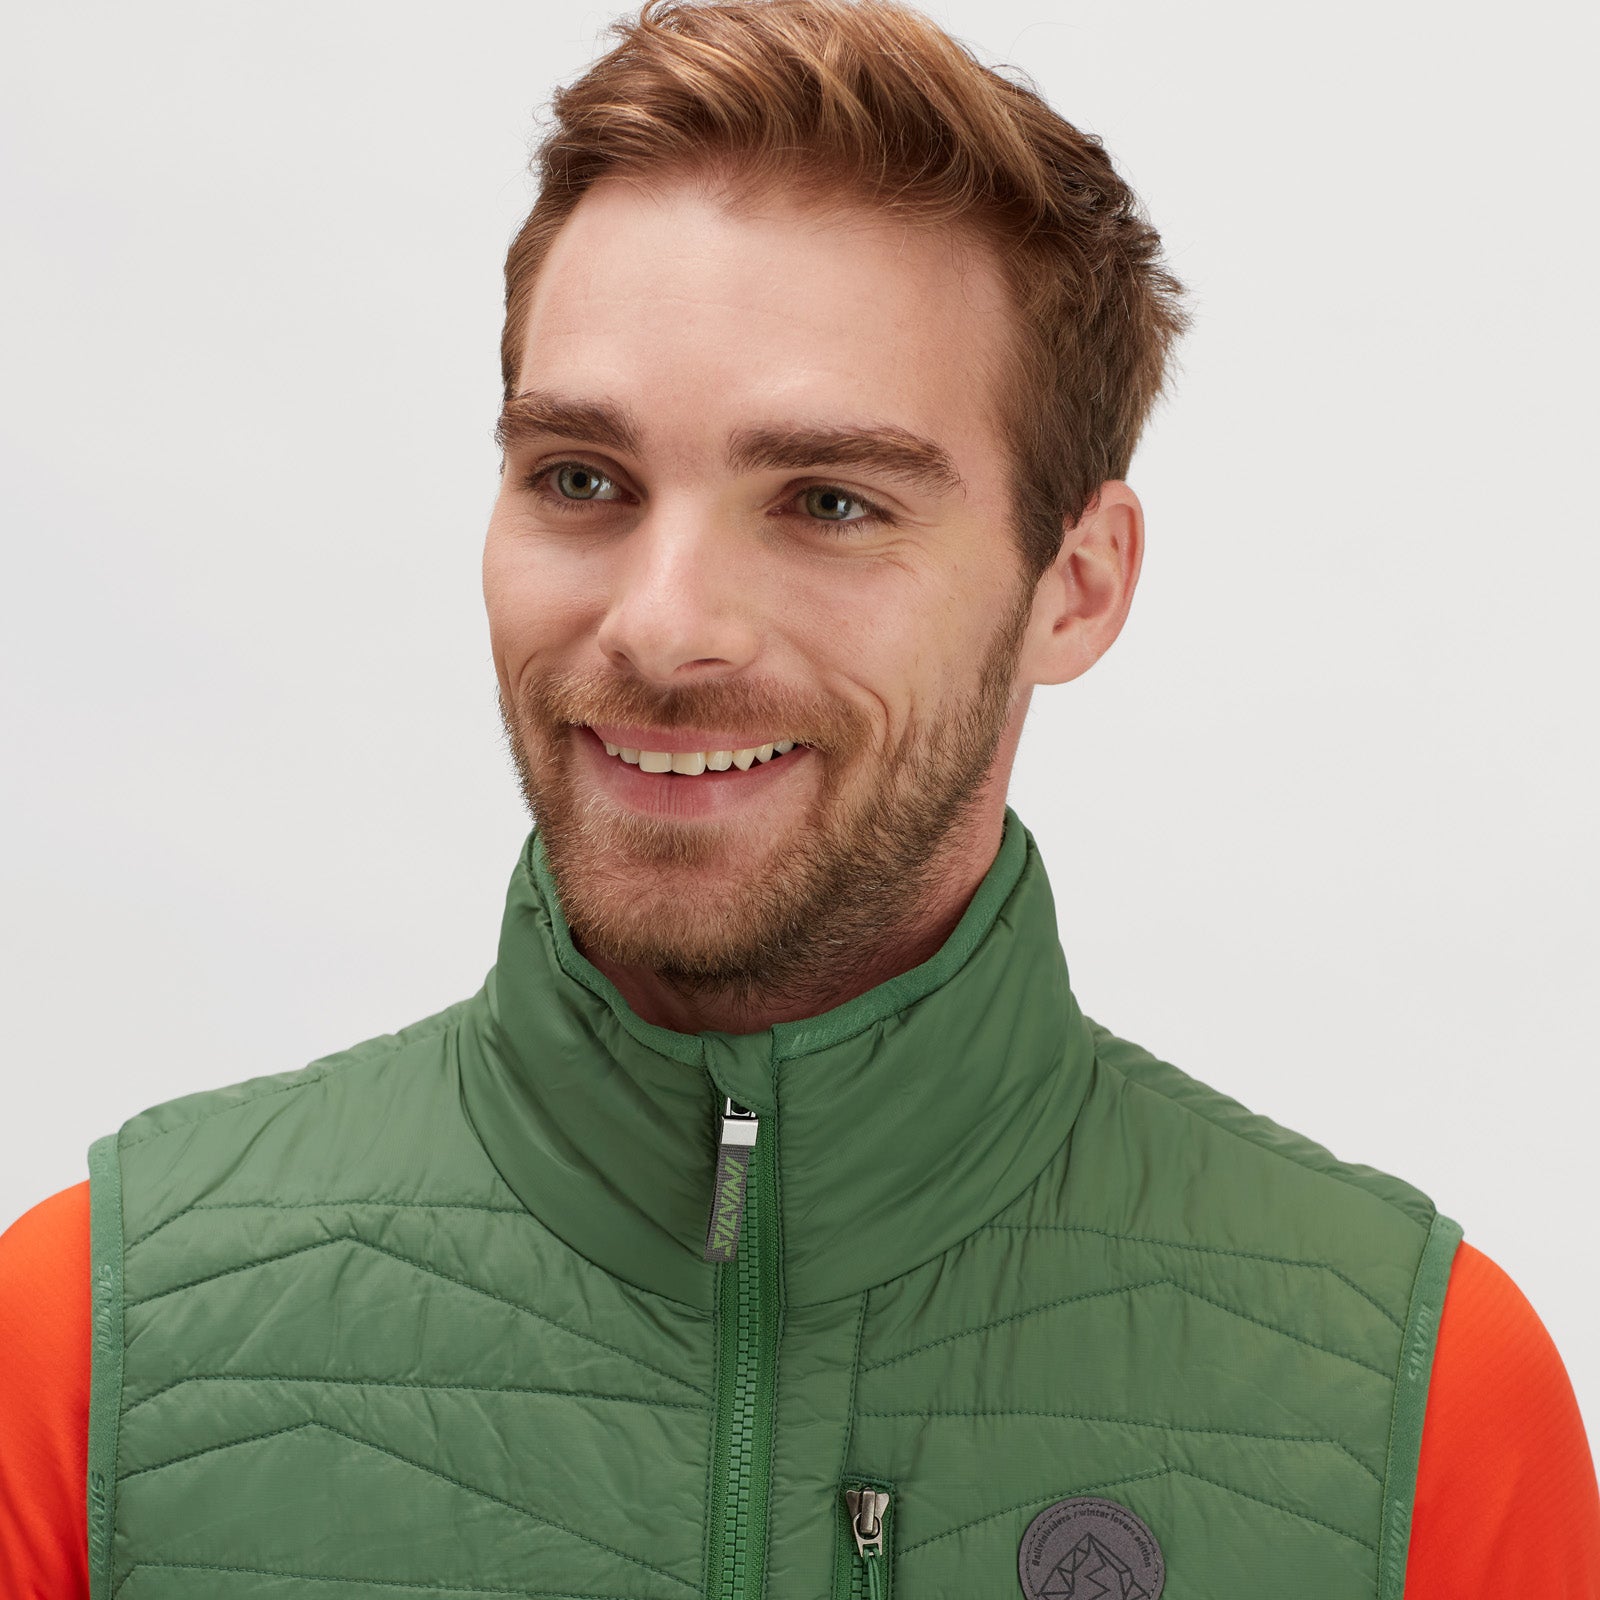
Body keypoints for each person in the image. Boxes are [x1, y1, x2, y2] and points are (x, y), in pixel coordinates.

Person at [2, 0, 1595, 1594]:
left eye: (829, 502)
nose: (661, 626)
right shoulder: (90, 1356)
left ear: (1078, 583)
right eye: (581, 480)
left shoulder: (1414, 1417)